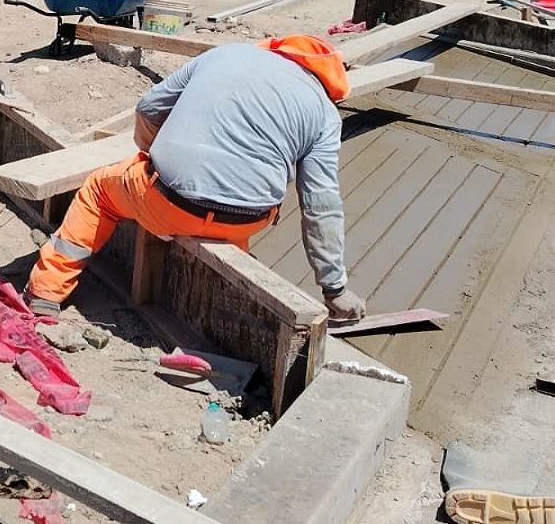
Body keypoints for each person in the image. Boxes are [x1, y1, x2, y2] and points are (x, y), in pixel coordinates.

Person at [24, 37, 365, 328]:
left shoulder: (228, 53)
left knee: (100, 189)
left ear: (277, 51)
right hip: (244, 222)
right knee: (241, 209)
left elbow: (148, 108)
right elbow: (321, 205)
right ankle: (223, 304)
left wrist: (150, 156)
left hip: (164, 200)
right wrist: (334, 289)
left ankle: (47, 292)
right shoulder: (324, 114)